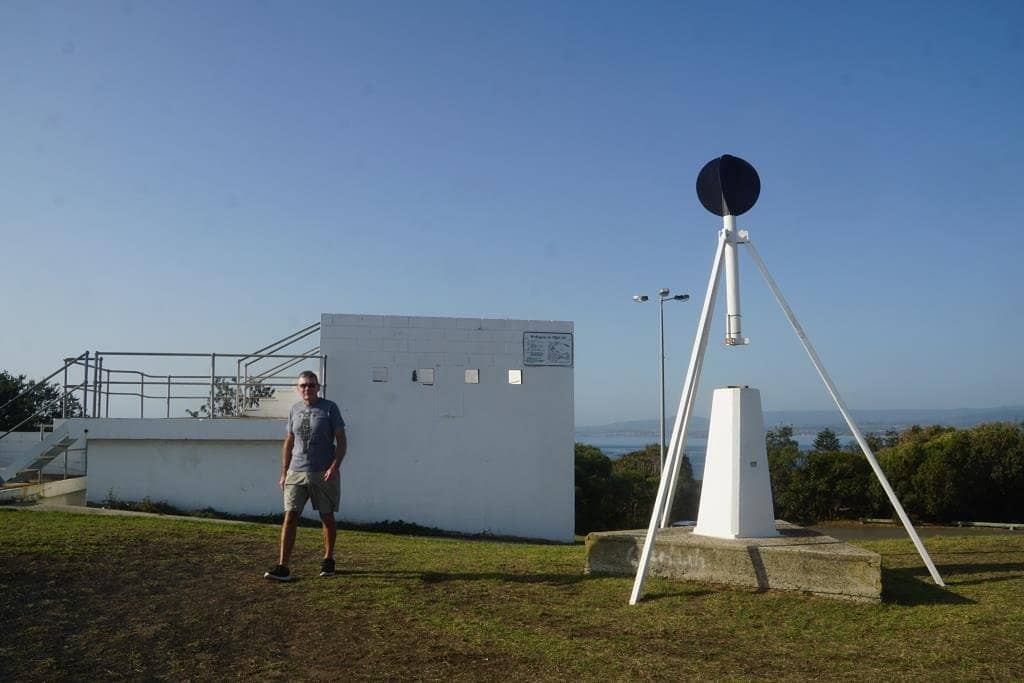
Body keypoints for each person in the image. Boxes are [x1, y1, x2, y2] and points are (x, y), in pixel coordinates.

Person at [264, 370, 347, 581]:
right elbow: (289, 441)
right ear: (298, 388)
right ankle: (283, 566)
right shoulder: (294, 410)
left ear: (318, 387)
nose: (307, 389)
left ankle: (328, 559)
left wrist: (334, 466)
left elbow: (342, 441)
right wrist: (284, 471)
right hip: (296, 471)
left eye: (311, 385)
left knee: (326, 516)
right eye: (303, 385)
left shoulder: (330, 408)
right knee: (290, 516)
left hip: (322, 473)